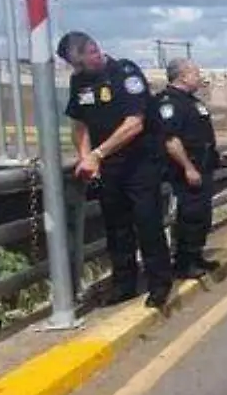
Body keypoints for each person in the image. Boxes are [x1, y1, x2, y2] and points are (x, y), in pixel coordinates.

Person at [59, 30, 173, 310]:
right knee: (116, 227)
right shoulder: (79, 82)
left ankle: (159, 283)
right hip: (108, 167)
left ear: (93, 51)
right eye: (75, 65)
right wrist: (86, 157)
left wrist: (98, 154)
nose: (79, 69)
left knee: (147, 222)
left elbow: (135, 123)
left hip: (139, 163)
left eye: (81, 62)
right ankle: (124, 285)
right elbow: (79, 124)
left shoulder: (124, 73)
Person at [156, 57, 219, 280]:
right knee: (190, 215)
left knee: (201, 215)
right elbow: (171, 140)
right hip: (187, 169)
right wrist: (188, 168)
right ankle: (184, 262)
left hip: (203, 166)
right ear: (182, 76)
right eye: (195, 73)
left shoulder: (191, 100)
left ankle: (196, 255)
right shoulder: (169, 102)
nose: (199, 77)